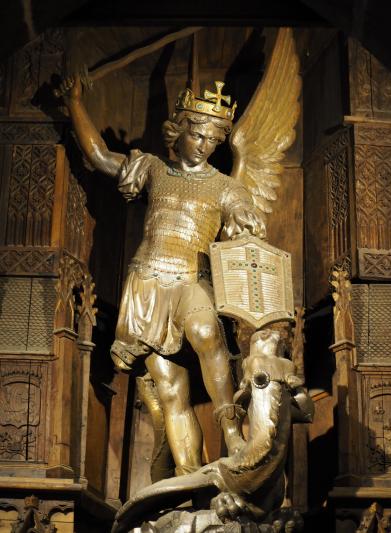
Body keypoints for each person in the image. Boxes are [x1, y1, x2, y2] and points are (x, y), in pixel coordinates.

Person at [59, 76, 266, 475]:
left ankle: (232, 431)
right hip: (148, 282)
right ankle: (188, 478)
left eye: (213, 139)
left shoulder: (226, 188)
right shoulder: (153, 168)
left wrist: (246, 222)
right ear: (179, 130)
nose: (204, 145)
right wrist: (75, 102)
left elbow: (244, 220)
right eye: (198, 135)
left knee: (205, 332)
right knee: (171, 391)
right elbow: (99, 156)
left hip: (191, 278)